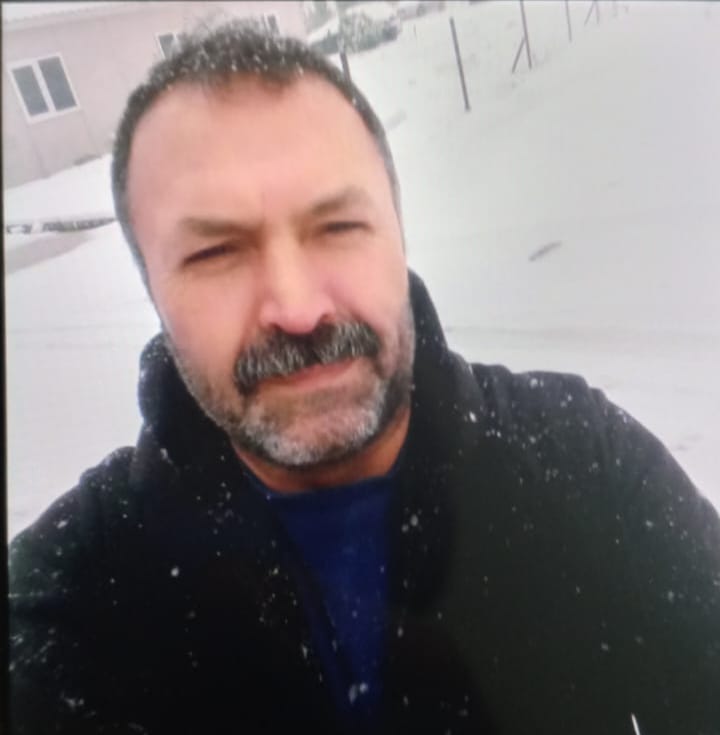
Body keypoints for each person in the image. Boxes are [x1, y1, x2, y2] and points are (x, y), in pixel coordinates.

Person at [8, 23, 720, 735]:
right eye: (216, 252)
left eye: (339, 226)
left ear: (398, 238)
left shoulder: (586, 462)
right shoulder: (66, 596)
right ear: (153, 293)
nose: (296, 308)